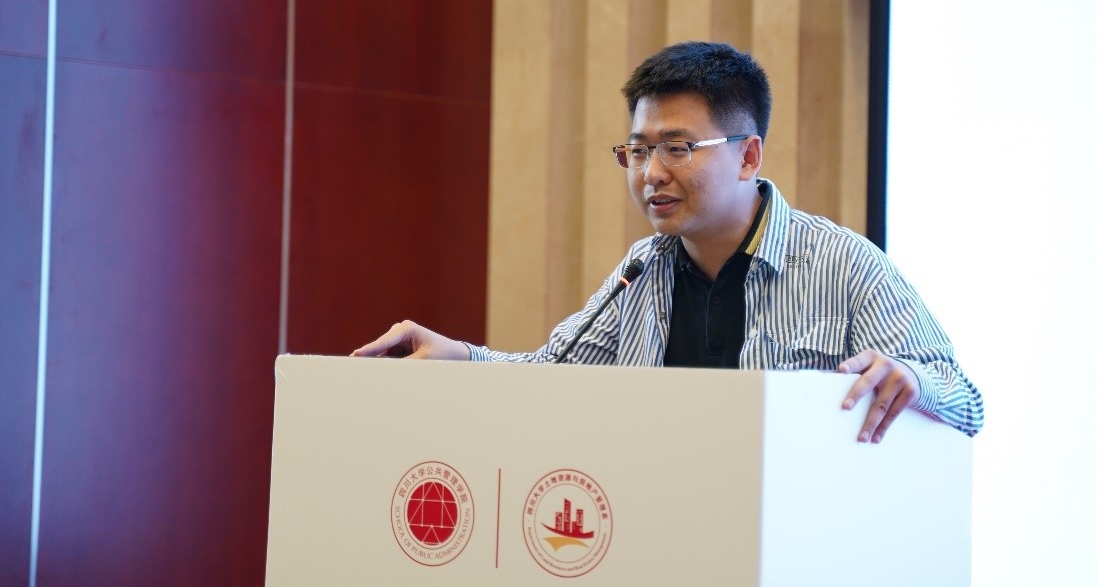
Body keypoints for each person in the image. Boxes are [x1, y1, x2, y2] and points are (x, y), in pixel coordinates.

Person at [353, 42, 983, 442]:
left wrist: (912, 377)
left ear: (748, 156)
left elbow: (966, 402)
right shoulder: (642, 270)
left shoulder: (843, 265)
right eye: (637, 151)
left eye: (677, 148)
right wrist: (461, 357)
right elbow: (555, 376)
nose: (650, 173)